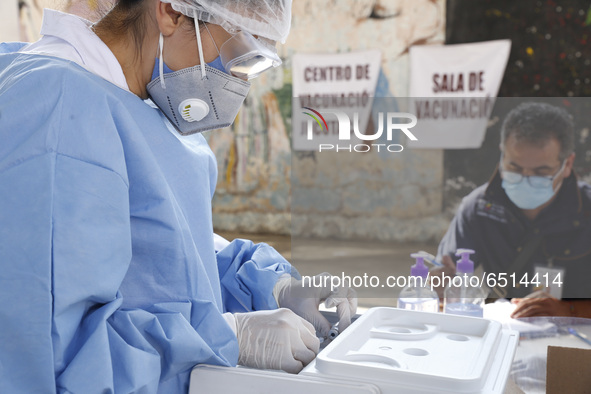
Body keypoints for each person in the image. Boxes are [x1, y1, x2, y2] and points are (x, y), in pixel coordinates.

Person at [0, 1, 357, 393]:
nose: (238, 83)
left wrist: (267, 286)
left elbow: (168, 257)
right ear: (170, 12)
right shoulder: (58, 108)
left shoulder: (139, 100)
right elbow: (50, 356)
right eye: (241, 55)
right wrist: (224, 335)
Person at [435, 102, 591, 319]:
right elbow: (445, 273)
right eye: (514, 168)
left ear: (567, 165)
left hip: (576, 345)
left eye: (541, 171)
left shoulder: (586, 212)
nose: (525, 179)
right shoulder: (479, 208)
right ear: (501, 156)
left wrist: (569, 310)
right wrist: (439, 288)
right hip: (505, 336)